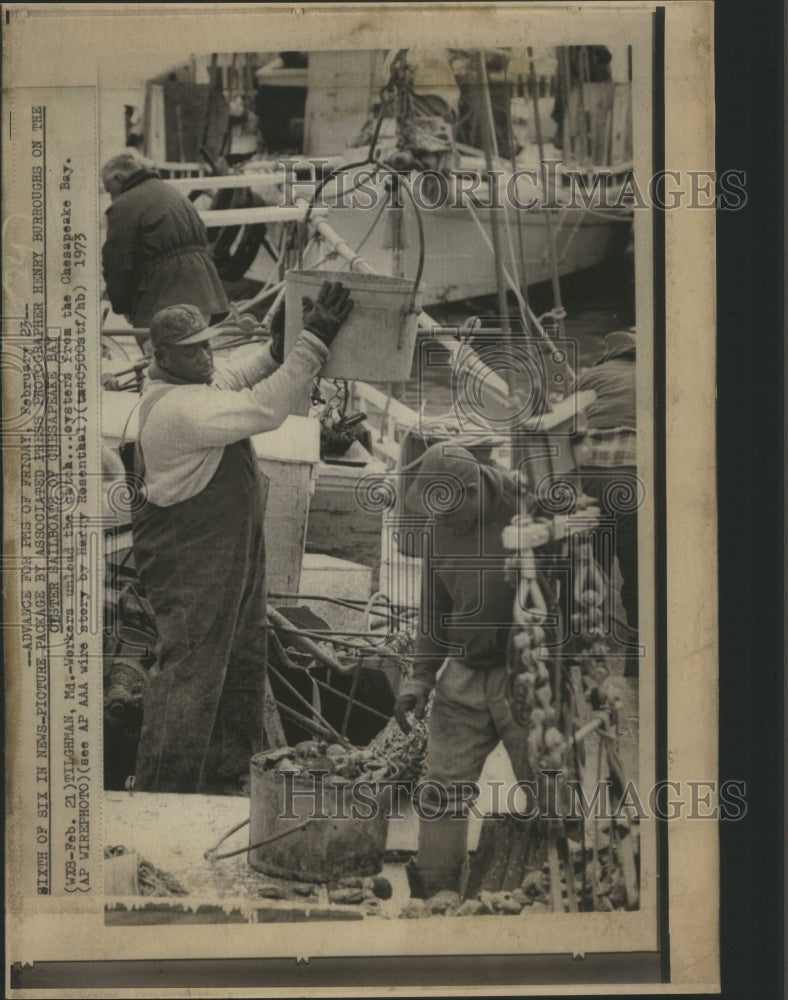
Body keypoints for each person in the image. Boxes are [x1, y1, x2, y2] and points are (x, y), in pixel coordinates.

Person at [130, 282, 353, 793]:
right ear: (162, 358)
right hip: (192, 561)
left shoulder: (193, 386)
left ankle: (229, 772)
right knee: (190, 671)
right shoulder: (179, 410)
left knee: (241, 657)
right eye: (193, 351)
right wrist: (314, 339)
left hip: (230, 552)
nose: (206, 356)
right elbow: (266, 408)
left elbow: (235, 374)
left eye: (207, 344)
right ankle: (161, 788)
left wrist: (276, 349)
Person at [393, 442, 536, 899]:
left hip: (529, 674)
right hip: (465, 672)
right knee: (441, 791)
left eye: (449, 513)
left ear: (474, 491)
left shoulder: (532, 511)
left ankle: (551, 890)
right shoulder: (440, 527)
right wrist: (419, 676)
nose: (441, 524)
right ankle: (434, 897)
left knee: (550, 786)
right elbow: (434, 611)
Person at [101, 152, 229, 333]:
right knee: (194, 353)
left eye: (109, 189)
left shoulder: (124, 205)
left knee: (160, 355)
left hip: (163, 297)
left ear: (118, 178)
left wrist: (122, 306)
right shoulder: (173, 193)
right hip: (205, 295)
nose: (111, 196)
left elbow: (117, 263)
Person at [575, 329, 638, 636]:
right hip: (632, 476)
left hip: (588, 477)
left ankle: (589, 648)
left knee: (592, 569)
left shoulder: (588, 376)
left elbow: (565, 427)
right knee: (639, 571)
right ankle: (637, 658)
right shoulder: (652, 372)